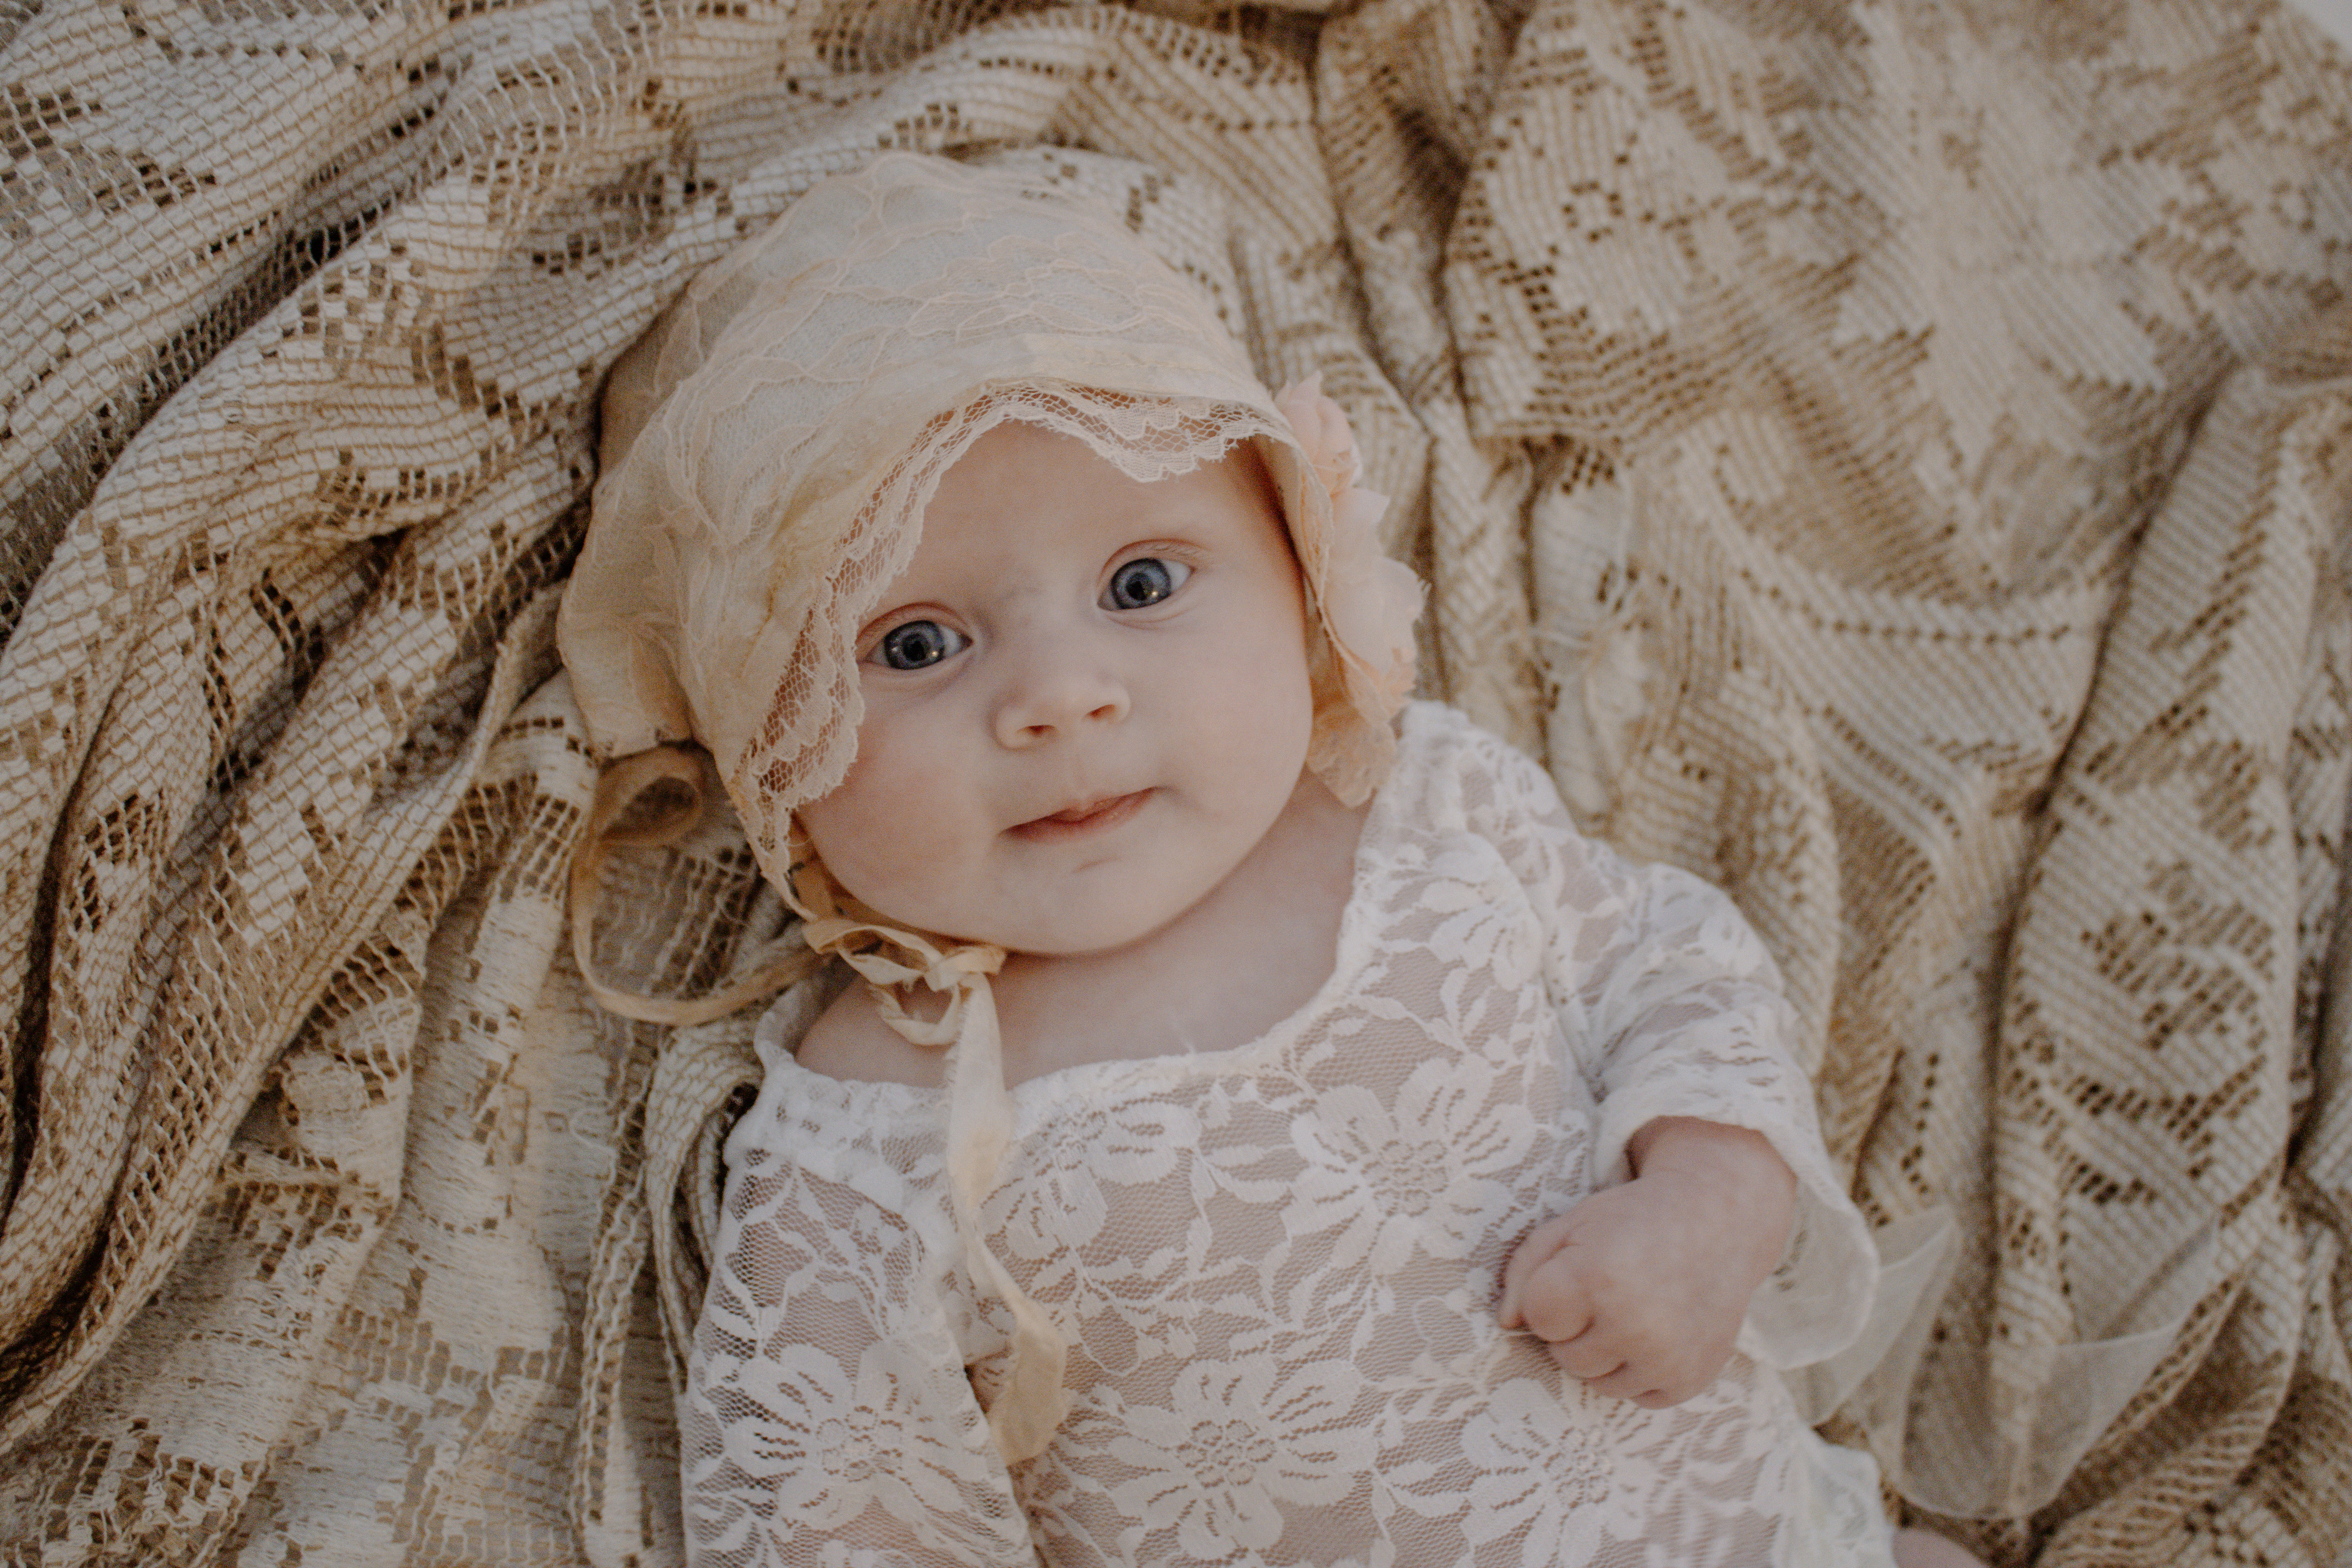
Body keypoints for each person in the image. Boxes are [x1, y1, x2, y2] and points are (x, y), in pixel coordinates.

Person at [560, 151, 1980, 1568]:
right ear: (774, 753)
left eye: (1141, 583)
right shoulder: (865, 1149)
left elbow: (1675, 970)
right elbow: (839, 1529)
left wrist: (1709, 1196)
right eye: (916, 645)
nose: (1064, 695)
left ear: (1299, 577)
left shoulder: (1423, 806)